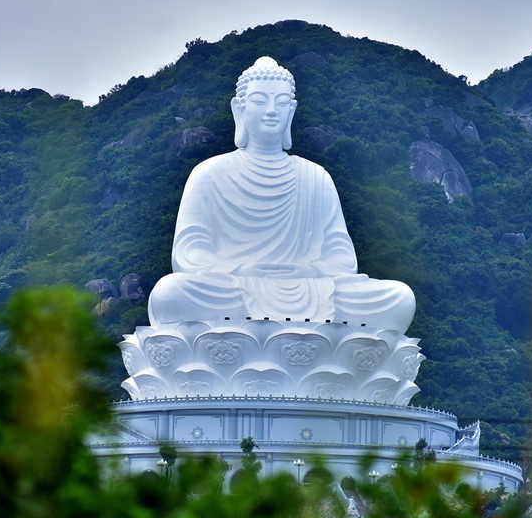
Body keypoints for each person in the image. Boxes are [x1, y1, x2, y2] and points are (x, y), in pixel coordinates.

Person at [147, 57, 415, 331]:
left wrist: (308, 270)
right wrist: (241, 269)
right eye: (260, 101)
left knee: (400, 297)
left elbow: (343, 258)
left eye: (282, 102)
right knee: (169, 293)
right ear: (239, 108)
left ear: (292, 110)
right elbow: (189, 254)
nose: (272, 111)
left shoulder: (316, 177)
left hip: (308, 287)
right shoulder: (208, 173)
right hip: (234, 285)